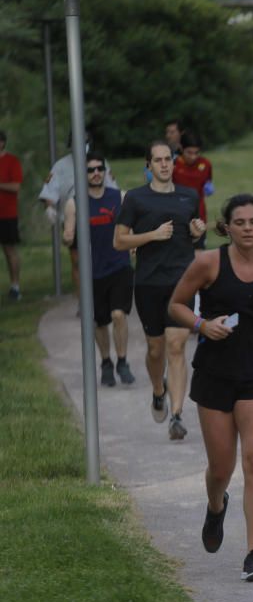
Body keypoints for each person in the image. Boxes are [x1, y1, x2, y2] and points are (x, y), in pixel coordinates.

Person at [168, 194, 253, 583]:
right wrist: (202, 326)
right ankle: (216, 505)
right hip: (216, 372)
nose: (248, 228)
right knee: (222, 466)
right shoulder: (208, 262)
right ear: (227, 227)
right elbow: (176, 305)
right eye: (240, 223)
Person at [114, 141, 206, 441]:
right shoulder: (136, 199)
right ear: (148, 165)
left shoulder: (188, 196)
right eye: (158, 160)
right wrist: (152, 235)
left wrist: (195, 233)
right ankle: (158, 390)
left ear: (174, 163)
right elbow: (119, 242)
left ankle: (177, 416)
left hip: (182, 281)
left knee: (177, 346)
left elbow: (189, 239)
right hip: (149, 282)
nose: (164, 164)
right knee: (156, 349)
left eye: (168, 159)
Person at [62, 152, 137, 387]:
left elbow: (131, 227)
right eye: (90, 170)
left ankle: (122, 361)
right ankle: (106, 362)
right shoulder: (75, 203)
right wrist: (67, 236)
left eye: (99, 169)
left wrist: (133, 242)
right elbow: (68, 236)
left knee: (118, 314)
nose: (95, 173)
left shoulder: (120, 197)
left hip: (119, 266)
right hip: (92, 272)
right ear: (83, 175)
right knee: (99, 322)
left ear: (105, 172)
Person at [39, 131, 117, 299]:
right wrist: (49, 207)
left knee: (101, 258)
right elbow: (49, 192)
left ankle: (103, 295)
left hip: (99, 215)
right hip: (72, 217)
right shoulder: (60, 167)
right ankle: (83, 301)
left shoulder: (101, 164)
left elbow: (113, 189)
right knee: (77, 260)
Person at [172, 130, 214, 249]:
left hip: (199, 217)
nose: (193, 156)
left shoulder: (206, 164)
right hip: (177, 218)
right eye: (189, 152)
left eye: (196, 152)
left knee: (199, 255)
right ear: (181, 147)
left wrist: (209, 187)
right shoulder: (172, 165)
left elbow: (208, 182)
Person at [0, 130, 22, 301]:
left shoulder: (12, 161)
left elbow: (15, 186)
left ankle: (15, 286)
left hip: (7, 214)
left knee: (9, 250)